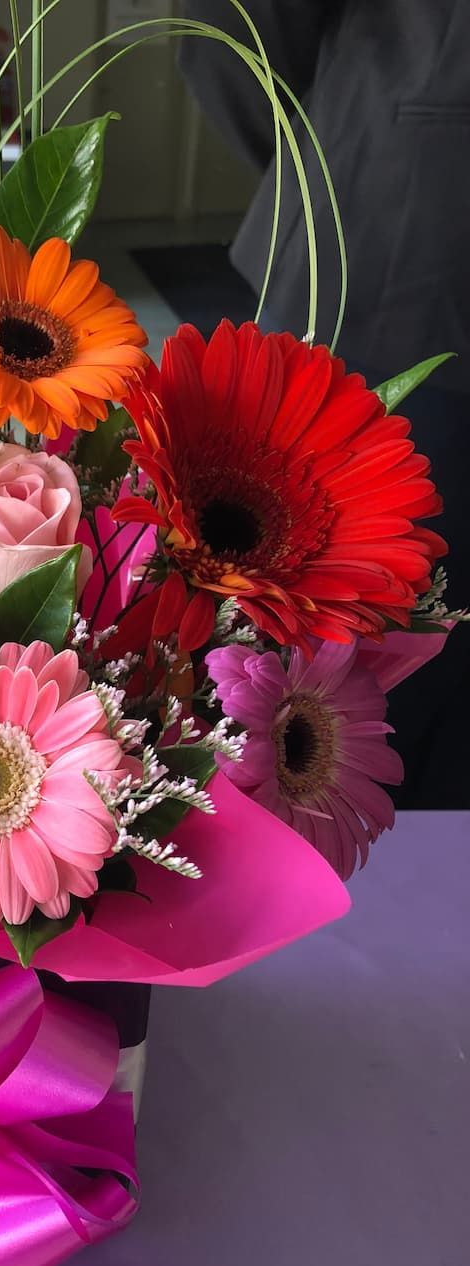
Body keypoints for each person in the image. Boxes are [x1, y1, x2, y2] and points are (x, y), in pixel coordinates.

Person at [179, 0, 470, 808]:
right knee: (352, 699)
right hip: (406, 248)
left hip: (396, 215)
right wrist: (326, 158)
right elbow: (233, 30)